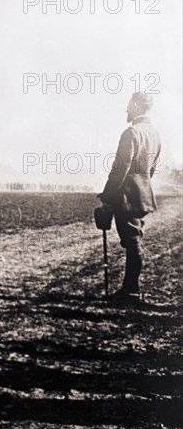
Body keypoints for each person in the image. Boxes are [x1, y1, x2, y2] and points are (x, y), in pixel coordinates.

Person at [97, 92, 161, 303]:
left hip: (127, 196)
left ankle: (131, 290)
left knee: (132, 241)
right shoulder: (155, 134)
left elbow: (120, 169)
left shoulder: (131, 133)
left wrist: (107, 195)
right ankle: (131, 288)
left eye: (129, 105)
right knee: (134, 239)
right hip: (142, 195)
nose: (127, 109)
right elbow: (151, 169)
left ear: (136, 106)